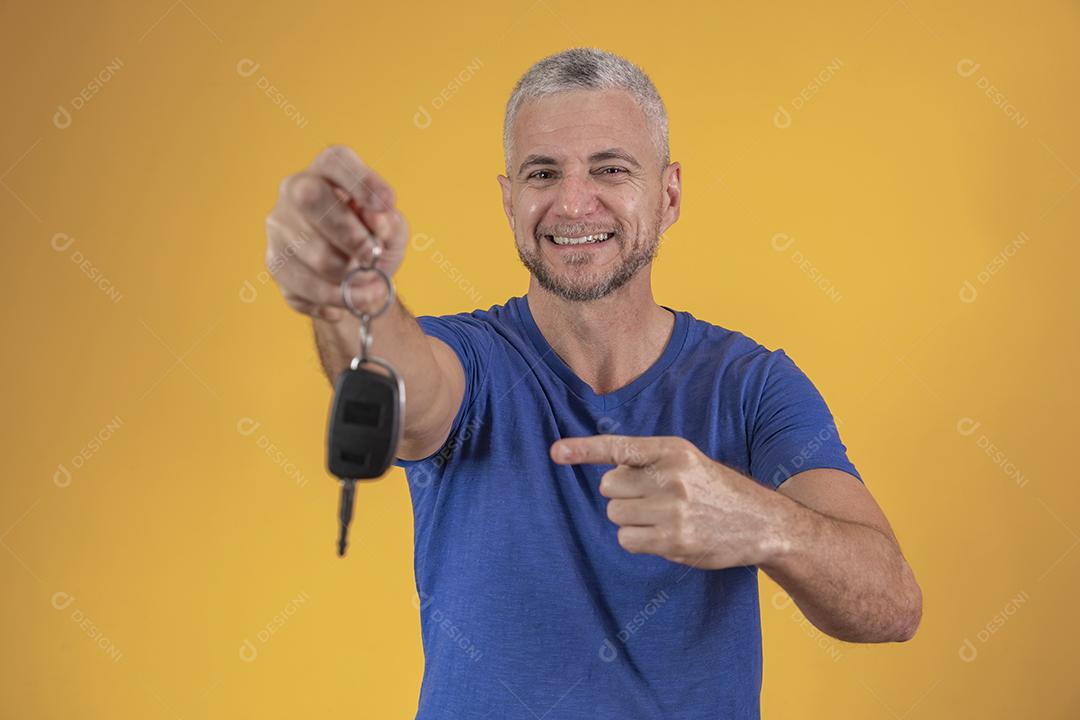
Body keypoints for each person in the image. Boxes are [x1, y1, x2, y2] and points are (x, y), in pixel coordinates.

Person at [265, 47, 922, 720]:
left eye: (610, 168)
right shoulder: (471, 358)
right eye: (542, 173)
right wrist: (343, 294)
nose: (574, 203)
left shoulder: (750, 384)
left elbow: (893, 603)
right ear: (509, 199)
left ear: (668, 196)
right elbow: (405, 391)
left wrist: (761, 523)